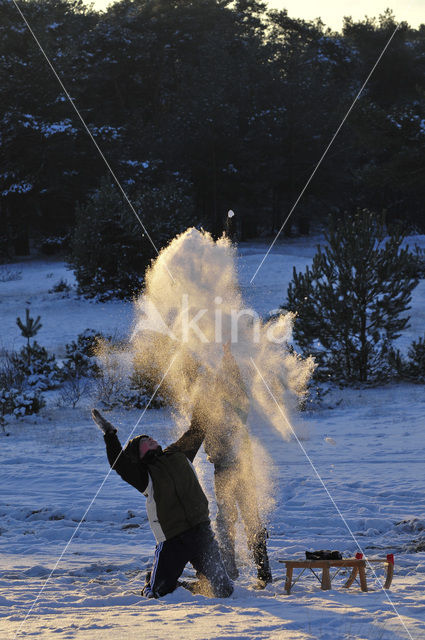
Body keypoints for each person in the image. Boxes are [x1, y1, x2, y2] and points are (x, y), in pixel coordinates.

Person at [91, 408, 233, 599]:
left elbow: (197, 430)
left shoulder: (178, 453)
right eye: (143, 441)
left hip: (201, 533)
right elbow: (119, 463)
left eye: (149, 437)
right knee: (157, 593)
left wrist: (203, 402)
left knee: (224, 590)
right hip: (173, 540)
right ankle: (155, 579)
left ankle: (186, 588)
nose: (149, 439)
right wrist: (110, 434)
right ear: (137, 455)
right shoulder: (144, 476)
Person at [177, 344, 272, 588]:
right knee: (225, 520)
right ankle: (230, 571)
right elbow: (193, 438)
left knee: (250, 519)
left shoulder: (237, 408)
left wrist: (229, 359)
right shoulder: (205, 414)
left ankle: (263, 571)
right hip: (222, 470)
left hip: (244, 470)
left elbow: (236, 384)